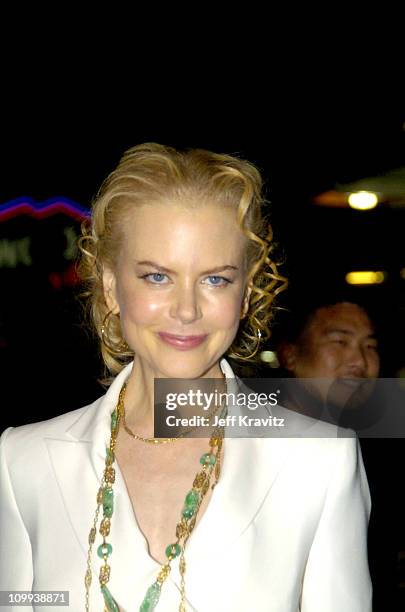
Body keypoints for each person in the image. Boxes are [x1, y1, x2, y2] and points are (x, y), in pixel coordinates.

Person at [0, 144, 372, 611]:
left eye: (215, 279)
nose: (187, 309)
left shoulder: (318, 463)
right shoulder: (23, 462)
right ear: (112, 286)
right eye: (157, 277)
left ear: (245, 292)